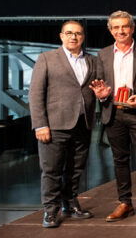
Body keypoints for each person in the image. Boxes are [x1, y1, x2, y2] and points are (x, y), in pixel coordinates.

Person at [91, 11, 136, 223]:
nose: (120, 31)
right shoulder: (103, 54)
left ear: (132, 28)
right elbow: (100, 84)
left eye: (124, 26)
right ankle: (125, 202)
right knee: (119, 160)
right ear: (110, 30)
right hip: (113, 113)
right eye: (116, 27)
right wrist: (102, 95)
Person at [29, 21, 97, 227]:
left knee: (76, 169)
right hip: (54, 125)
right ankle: (50, 210)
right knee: (51, 170)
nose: (73, 37)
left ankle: (70, 203)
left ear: (83, 37)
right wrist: (40, 124)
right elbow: (35, 93)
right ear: (61, 36)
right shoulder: (47, 58)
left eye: (77, 33)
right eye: (69, 33)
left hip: (83, 123)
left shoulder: (92, 60)